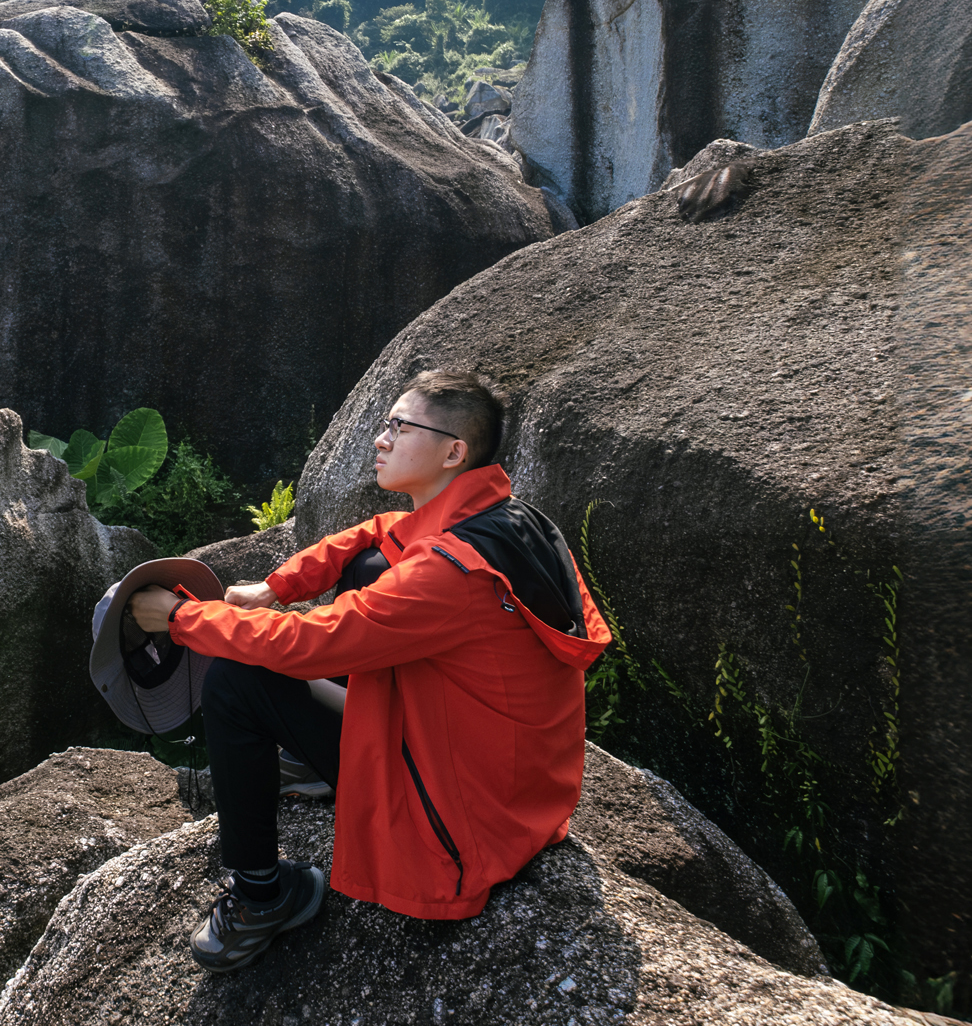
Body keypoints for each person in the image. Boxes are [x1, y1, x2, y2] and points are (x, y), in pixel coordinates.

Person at [128, 367, 611, 970]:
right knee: (369, 563)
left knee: (235, 681)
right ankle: (321, 768)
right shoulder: (513, 521)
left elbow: (313, 643)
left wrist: (180, 617)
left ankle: (261, 896)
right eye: (385, 424)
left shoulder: (449, 576)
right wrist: (277, 586)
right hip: (519, 790)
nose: (379, 439)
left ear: (453, 451)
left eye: (399, 427)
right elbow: (375, 533)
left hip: (464, 828)